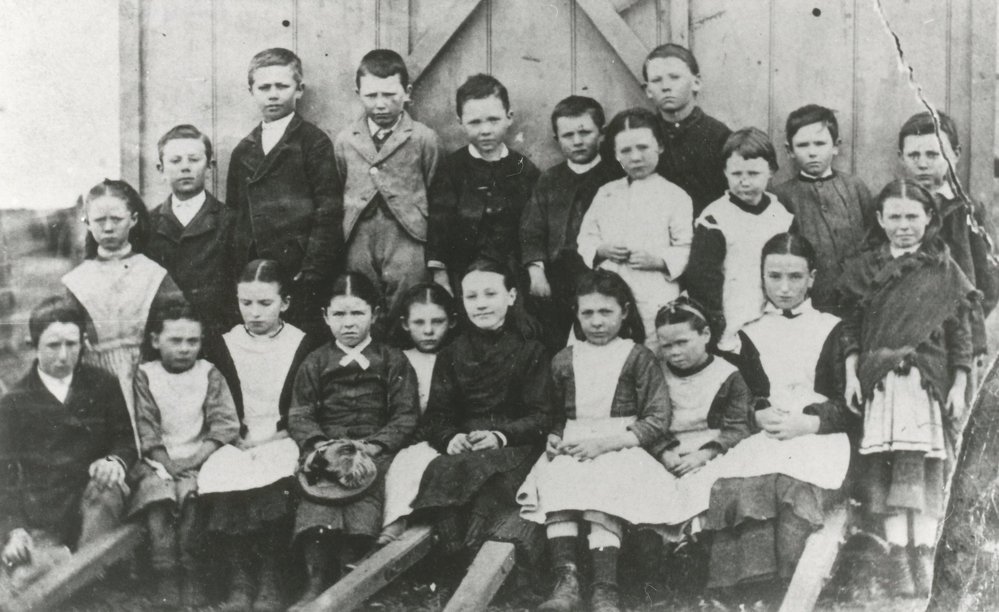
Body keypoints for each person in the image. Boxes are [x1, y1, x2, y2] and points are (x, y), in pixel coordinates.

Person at [839, 179, 977, 597]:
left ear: (929, 218)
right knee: (888, 473)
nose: (903, 226)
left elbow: (962, 333)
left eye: (912, 216)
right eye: (894, 217)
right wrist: (850, 374)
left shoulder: (943, 267)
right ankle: (898, 555)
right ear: (880, 219)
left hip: (927, 387)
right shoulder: (864, 270)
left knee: (927, 472)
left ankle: (924, 554)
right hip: (882, 386)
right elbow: (851, 328)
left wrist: (959, 382)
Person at [702, 233, 854, 600]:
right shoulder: (749, 333)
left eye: (795, 277)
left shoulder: (832, 329)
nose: (784, 288)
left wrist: (811, 422)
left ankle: (785, 586)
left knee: (790, 486)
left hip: (817, 434)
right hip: (767, 433)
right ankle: (746, 591)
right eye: (775, 277)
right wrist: (758, 412)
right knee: (739, 483)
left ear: (812, 278)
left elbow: (846, 401)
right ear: (762, 278)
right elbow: (745, 391)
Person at [518, 270, 676, 612]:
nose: (597, 322)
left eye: (606, 312)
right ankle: (567, 583)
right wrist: (554, 437)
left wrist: (606, 444)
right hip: (574, 444)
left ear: (625, 311)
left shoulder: (638, 357)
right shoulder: (564, 358)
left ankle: (606, 590)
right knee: (558, 481)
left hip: (620, 445)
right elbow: (555, 414)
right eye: (587, 313)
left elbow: (657, 419)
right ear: (576, 313)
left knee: (604, 487)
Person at [287, 272, 419, 610]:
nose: (349, 323)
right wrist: (318, 445)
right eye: (340, 314)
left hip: (372, 451)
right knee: (318, 498)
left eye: (357, 313)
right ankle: (316, 579)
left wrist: (375, 446)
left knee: (364, 494)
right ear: (326, 316)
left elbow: (405, 414)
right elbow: (300, 413)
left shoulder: (392, 360)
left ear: (374, 315)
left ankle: (352, 578)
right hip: (326, 451)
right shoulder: (315, 362)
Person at [198, 259, 320, 612]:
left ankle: (270, 578)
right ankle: (240, 580)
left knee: (274, 475)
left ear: (285, 303)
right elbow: (217, 401)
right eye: (245, 303)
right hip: (236, 437)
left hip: (284, 436)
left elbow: (305, 404)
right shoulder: (224, 344)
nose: (254, 313)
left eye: (265, 303)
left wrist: (276, 436)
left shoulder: (302, 343)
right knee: (222, 471)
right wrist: (234, 437)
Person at [409, 261, 551, 559]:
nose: (481, 304)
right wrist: (450, 437)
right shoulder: (451, 353)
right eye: (472, 297)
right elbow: (438, 414)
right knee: (442, 469)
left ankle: (474, 550)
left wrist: (501, 435)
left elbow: (541, 415)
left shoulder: (531, 349)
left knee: (490, 484)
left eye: (490, 294)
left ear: (511, 296)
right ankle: (451, 551)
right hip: (469, 444)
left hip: (514, 445)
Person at [0, 297, 136, 573]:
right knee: (24, 576)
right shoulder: (15, 401)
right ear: (33, 345)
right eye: (53, 345)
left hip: (94, 500)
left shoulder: (103, 384)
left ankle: (76, 567)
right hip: (47, 512)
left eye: (71, 344)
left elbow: (125, 439)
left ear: (83, 343)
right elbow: (6, 473)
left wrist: (114, 461)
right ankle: (77, 565)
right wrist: (15, 529)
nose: (63, 356)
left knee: (108, 489)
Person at [128, 301, 240, 608]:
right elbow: (146, 426)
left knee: (191, 499)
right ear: (155, 341)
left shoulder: (208, 374)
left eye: (193, 341)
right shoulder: (145, 375)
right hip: (156, 461)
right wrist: (166, 463)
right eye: (175, 340)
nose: (184, 348)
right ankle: (165, 575)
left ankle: (192, 575)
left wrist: (193, 461)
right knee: (158, 499)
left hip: (198, 457)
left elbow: (223, 423)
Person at [226, 47, 342, 338]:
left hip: (299, 272)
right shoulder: (244, 150)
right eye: (264, 87)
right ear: (251, 91)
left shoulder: (313, 143)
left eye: (282, 86)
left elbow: (327, 212)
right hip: (258, 275)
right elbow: (234, 215)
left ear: (299, 90)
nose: (273, 94)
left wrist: (312, 270)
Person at [61, 179, 184, 434]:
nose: (108, 227)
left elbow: (179, 322)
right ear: (87, 222)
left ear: (134, 219)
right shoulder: (77, 279)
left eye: (116, 219)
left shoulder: (153, 273)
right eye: (99, 220)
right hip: (98, 379)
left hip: (148, 374)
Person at [335, 49, 447, 317]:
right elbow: (341, 184)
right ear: (358, 93)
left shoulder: (424, 139)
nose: (381, 104)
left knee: (408, 301)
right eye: (371, 95)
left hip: (408, 235)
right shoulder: (346, 140)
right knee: (362, 300)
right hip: (359, 236)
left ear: (407, 92)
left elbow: (437, 193)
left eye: (390, 94)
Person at [576, 108, 693, 350]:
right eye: (626, 151)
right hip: (609, 287)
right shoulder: (607, 192)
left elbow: (686, 245)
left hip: (654, 288)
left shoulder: (675, 196)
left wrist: (660, 260)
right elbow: (586, 237)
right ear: (616, 154)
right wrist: (602, 250)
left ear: (659, 146)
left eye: (643, 148)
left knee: (653, 346)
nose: (635, 157)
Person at [897, 111, 998, 374]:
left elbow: (987, 281)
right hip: (906, 335)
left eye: (933, 154)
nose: (922, 164)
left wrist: (974, 335)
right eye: (913, 155)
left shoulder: (968, 209)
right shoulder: (893, 209)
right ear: (901, 158)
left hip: (960, 340)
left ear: (955, 154)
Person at [520, 96, 621, 353]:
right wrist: (536, 270)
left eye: (585, 132)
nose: (577, 141)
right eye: (568, 135)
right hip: (556, 281)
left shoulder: (614, 178)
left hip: (599, 276)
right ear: (557, 139)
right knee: (555, 342)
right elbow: (532, 229)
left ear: (601, 134)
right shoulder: (549, 180)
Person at [427, 74, 541, 294]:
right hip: (462, 272)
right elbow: (439, 225)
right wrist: (440, 277)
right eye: (475, 122)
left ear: (509, 117)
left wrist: (534, 268)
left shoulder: (523, 168)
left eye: (493, 120)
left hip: (512, 274)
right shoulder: (451, 169)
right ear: (460, 122)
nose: (485, 130)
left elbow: (534, 226)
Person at [683, 127, 793, 349]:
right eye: (736, 174)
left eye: (753, 174)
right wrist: (716, 321)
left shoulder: (780, 213)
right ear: (725, 172)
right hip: (731, 316)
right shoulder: (715, 218)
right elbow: (703, 279)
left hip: (771, 313)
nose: (744, 181)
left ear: (771, 171)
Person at [771, 105, 875, 313]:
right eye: (802, 145)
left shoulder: (855, 187)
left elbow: (874, 239)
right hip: (811, 303)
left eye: (820, 143)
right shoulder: (781, 196)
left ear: (835, 146)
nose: (812, 152)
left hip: (859, 299)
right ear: (789, 150)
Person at [378, 282, 459, 544]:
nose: (428, 331)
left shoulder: (457, 357)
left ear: (452, 321)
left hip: (441, 437)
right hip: (402, 436)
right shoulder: (397, 358)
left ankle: (395, 525)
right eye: (419, 322)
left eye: (438, 322)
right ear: (404, 324)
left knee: (413, 462)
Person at [147, 124, 235, 336]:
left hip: (217, 334)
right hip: (164, 338)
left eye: (194, 159)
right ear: (161, 169)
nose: (185, 167)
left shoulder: (231, 221)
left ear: (209, 166)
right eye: (175, 161)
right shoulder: (147, 224)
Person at [642, 43, 731, 217]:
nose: (666, 86)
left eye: (675, 77)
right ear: (648, 90)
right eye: (656, 80)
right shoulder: (642, 136)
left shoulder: (719, 136)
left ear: (696, 83)